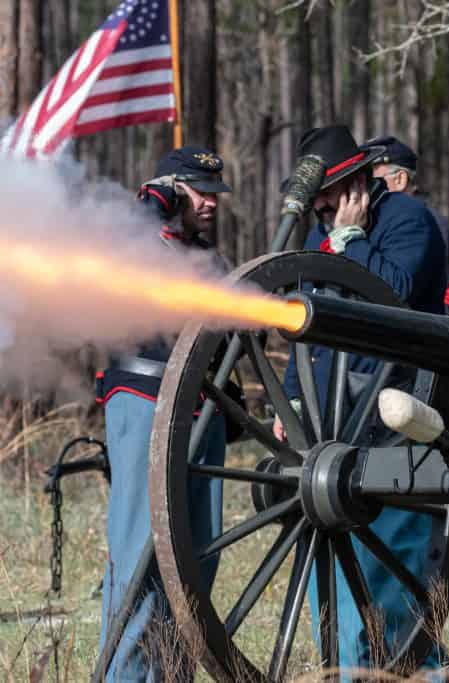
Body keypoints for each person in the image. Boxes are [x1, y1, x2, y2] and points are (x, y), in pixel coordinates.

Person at [274, 124, 447, 674]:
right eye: (319, 197)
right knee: (332, 559)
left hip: (396, 410)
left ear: (353, 183)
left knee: (389, 564)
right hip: (332, 420)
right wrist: (295, 401)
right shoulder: (319, 237)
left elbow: (392, 291)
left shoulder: (406, 219)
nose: (322, 206)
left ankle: (412, 668)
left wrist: (351, 241)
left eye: (329, 193)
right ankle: (348, 665)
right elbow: (302, 327)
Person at [96, 146, 232, 682]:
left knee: (198, 556)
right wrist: (153, 199)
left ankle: (173, 674)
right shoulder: (134, 245)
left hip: (200, 412)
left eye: (214, 194)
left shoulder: (208, 259)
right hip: (145, 402)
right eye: (199, 191)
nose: (211, 203)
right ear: (174, 190)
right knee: (139, 556)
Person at [363, 134, 449, 317]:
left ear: (400, 180)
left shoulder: (439, 230)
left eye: (372, 181)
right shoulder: (366, 224)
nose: (364, 189)